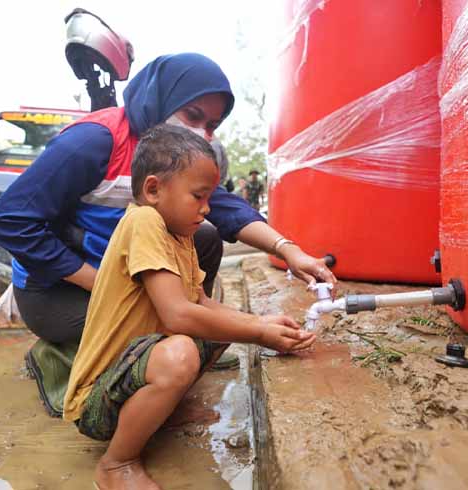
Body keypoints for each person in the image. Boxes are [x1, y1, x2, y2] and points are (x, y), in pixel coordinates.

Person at [0, 53, 336, 412]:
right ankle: (63, 359)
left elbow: (226, 208)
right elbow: (10, 220)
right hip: (57, 290)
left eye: (211, 125)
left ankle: (175, 339)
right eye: (192, 116)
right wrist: (104, 284)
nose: (201, 132)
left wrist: (287, 250)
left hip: (123, 274)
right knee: (176, 319)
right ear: (159, 99)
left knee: (205, 238)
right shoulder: (95, 141)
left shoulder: (177, 159)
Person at [65, 124, 315, 489]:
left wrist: (260, 322)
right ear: (153, 189)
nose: (206, 208)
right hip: (98, 400)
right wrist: (258, 332)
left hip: (133, 374)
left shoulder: (179, 233)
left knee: (220, 328)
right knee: (181, 352)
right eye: (198, 196)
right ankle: (117, 463)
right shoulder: (143, 221)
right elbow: (177, 314)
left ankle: (161, 413)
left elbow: (201, 303)